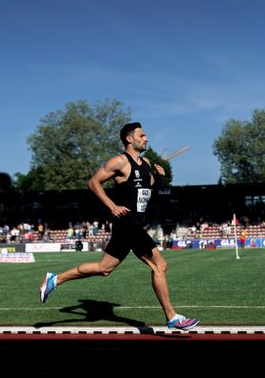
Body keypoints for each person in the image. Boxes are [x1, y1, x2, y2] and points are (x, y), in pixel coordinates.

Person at [39, 122, 199, 330]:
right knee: (159, 265)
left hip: (132, 224)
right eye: (142, 135)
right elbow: (93, 183)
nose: (146, 138)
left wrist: (159, 179)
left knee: (104, 268)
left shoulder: (146, 163)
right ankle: (172, 317)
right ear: (129, 139)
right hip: (128, 223)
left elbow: (148, 193)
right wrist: (112, 206)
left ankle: (54, 279)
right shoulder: (119, 162)